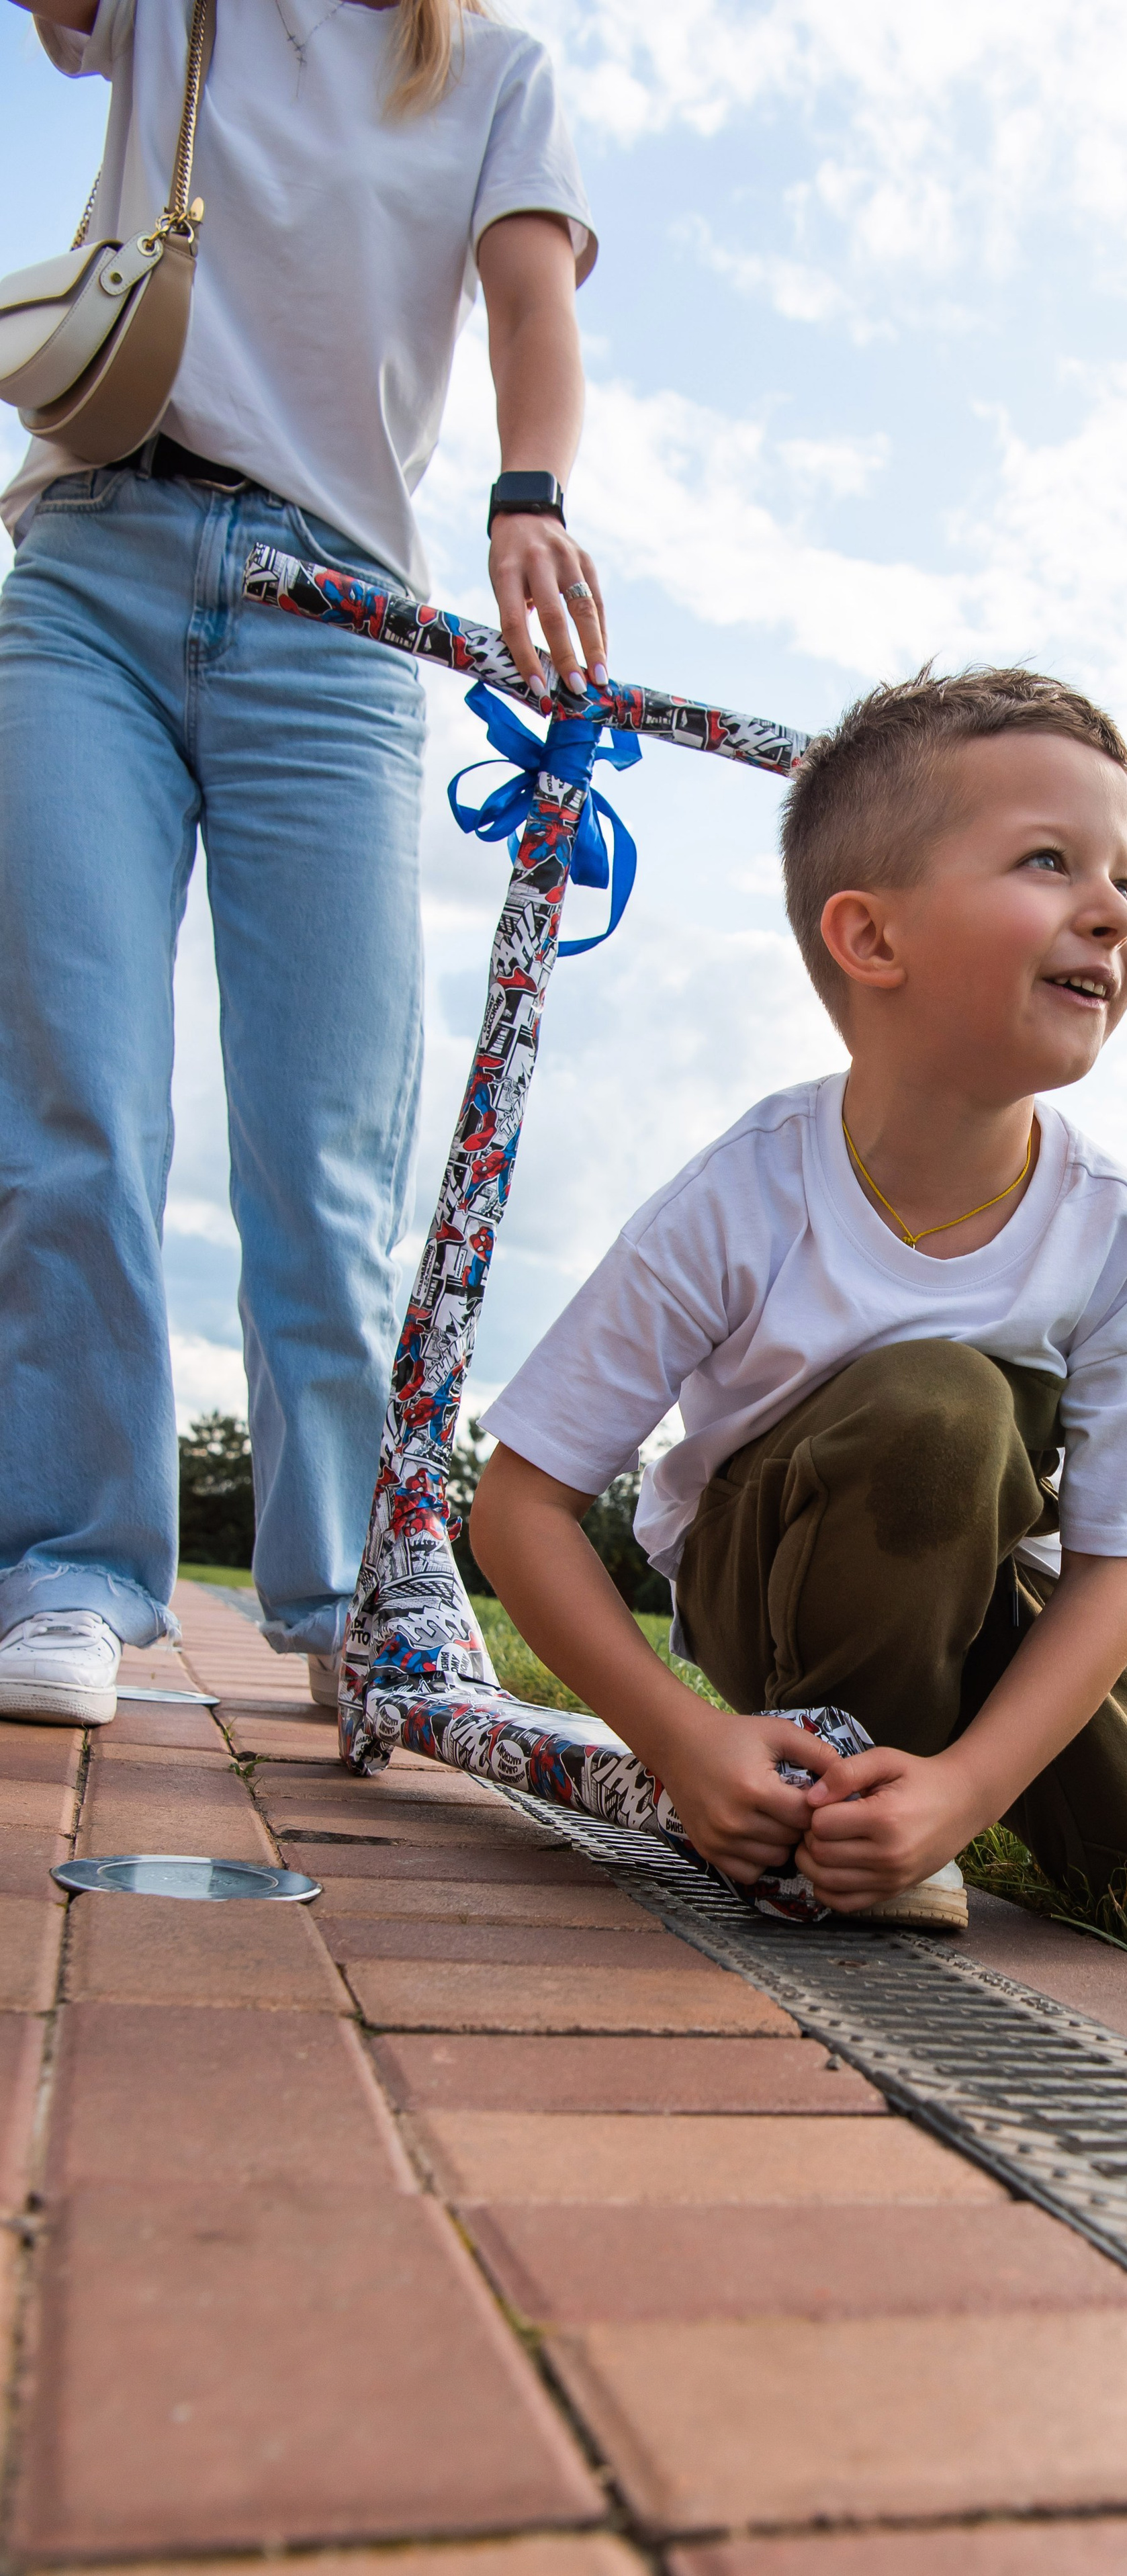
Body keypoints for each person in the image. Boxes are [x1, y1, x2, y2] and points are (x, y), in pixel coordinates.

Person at [0, 0, 606, 1727]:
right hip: (94, 570)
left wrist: (532, 490)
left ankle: (347, 1590)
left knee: (326, 1150)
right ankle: (65, 1566)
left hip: (336, 621)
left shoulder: (491, 71)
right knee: (72, 1099)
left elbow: (526, 299)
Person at [469, 669, 1127, 1925]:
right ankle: (831, 1810)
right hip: (773, 1600)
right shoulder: (747, 1194)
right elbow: (520, 1503)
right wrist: (682, 1743)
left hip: (994, 1599)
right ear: (872, 938)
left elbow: (1118, 1567)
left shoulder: (1121, 1236)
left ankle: (914, 1807)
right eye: (1051, 863)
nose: (1113, 915)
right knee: (942, 1404)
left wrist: (968, 1787)